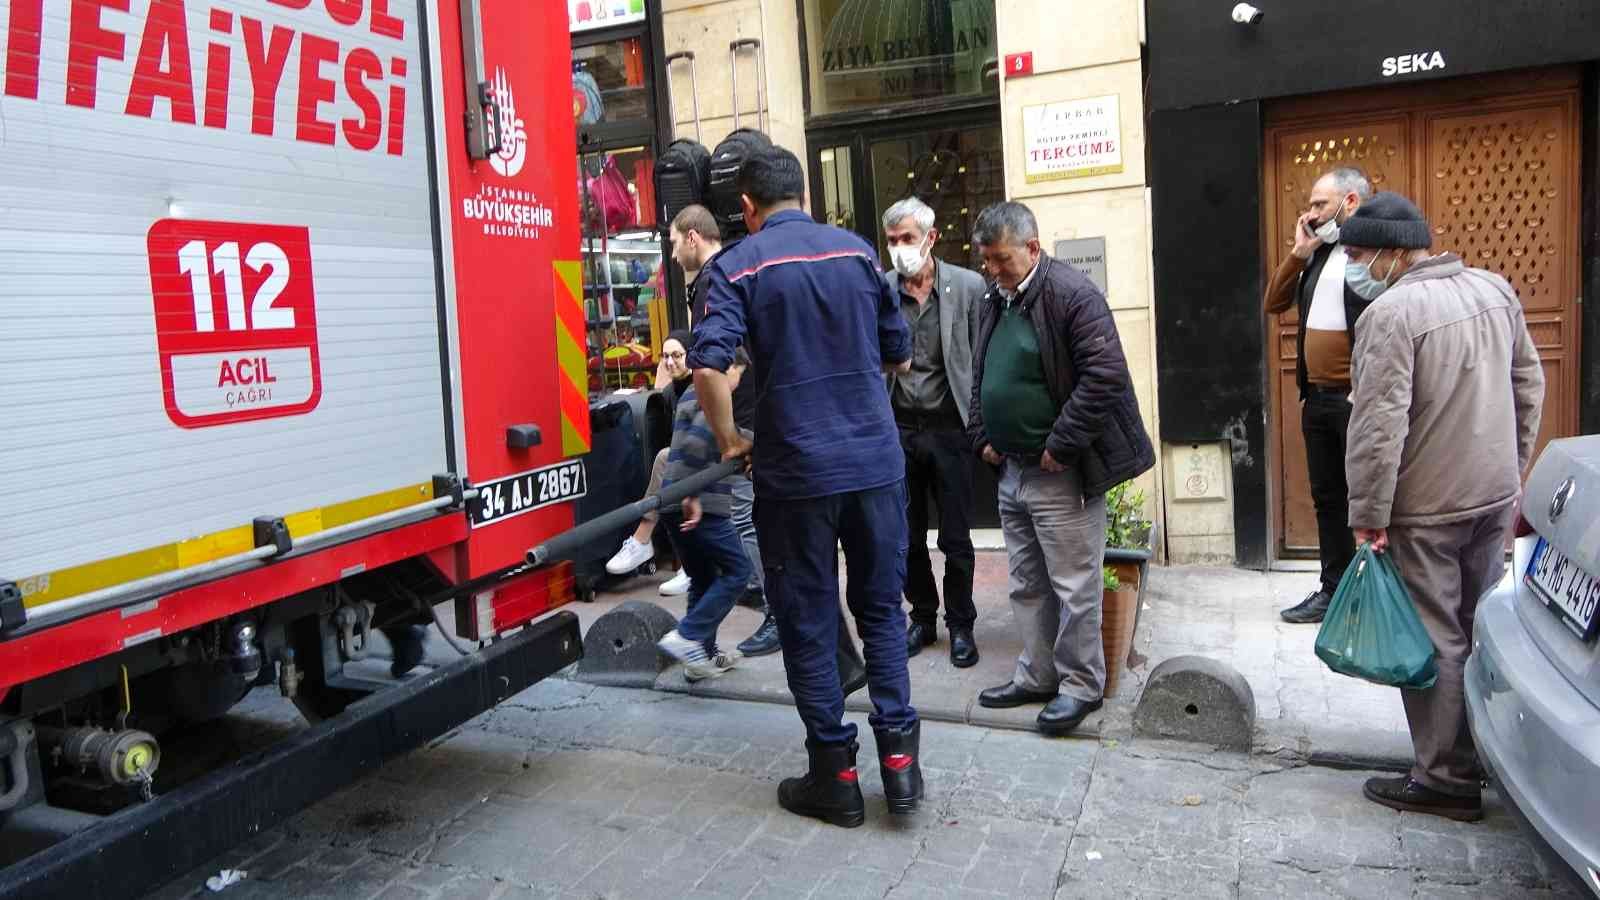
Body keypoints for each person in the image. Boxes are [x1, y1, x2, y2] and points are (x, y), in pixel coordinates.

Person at [690, 145, 921, 827]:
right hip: (875, 465)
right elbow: (899, 353)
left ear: (747, 207)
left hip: (795, 474)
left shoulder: (737, 266)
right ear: (806, 197)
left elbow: (706, 367)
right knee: (881, 610)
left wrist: (731, 441)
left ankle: (835, 776)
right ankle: (902, 770)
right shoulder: (856, 255)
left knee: (810, 618)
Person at [1339, 192, 1544, 822]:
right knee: (1480, 629)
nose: (1353, 266)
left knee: (1437, 640)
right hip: (1491, 495)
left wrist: (1368, 515)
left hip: (1426, 507)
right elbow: (1528, 386)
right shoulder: (1493, 290)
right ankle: (1480, 752)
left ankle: (1445, 778)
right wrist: (1513, 470)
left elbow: (1378, 427)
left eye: (1357, 254)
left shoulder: (1391, 314)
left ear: (1393, 253)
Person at [966, 201, 1154, 738]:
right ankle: (1038, 674)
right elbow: (979, 370)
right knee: (1027, 583)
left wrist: (1061, 445)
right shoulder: (993, 299)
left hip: (1058, 472)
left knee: (1074, 586)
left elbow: (1105, 375)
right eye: (987, 261)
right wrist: (982, 436)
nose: (994, 270)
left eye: (1002, 259)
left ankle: (1080, 686)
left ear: (1032, 247)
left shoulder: (1072, 294)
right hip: (1011, 470)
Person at [1263, 168, 1373, 625]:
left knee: (1369, 500)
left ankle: (1378, 598)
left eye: (1318, 205)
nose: (1309, 215)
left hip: (1360, 401)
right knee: (1328, 499)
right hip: (1319, 399)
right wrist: (1297, 253)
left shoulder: (1374, 256)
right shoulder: (1318, 254)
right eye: (1309, 206)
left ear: (1349, 202)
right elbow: (1274, 302)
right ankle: (1334, 591)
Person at [880, 197, 985, 668]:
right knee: (907, 534)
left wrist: (984, 427)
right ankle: (922, 618)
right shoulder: (879, 291)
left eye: (907, 238)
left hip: (950, 430)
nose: (899, 248)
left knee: (957, 537)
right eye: (892, 240)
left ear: (931, 237)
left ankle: (961, 625)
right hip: (898, 427)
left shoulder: (967, 287)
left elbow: (982, 360)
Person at [673, 204, 780, 657]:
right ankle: (703, 643)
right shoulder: (727, 274)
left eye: (676, 241)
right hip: (745, 425)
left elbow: (721, 364)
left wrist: (733, 437)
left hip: (747, 427)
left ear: (694, 237)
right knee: (744, 524)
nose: (674, 252)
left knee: (749, 522)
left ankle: (776, 615)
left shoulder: (717, 281)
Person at [655, 348, 756, 681]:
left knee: (703, 578)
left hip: (671, 499)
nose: (737, 383)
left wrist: (753, 444)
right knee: (738, 571)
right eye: (738, 374)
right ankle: (688, 635)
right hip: (701, 504)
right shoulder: (713, 391)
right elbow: (700, 442)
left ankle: (700, 659)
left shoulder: (689, 391)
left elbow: (709, 441)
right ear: (729, 369)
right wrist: (694, 494)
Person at [603, 331, 695, 596]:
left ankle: (644, 539)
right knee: (668, 465)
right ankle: (685, 564)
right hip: (686, 465)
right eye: (665, 356)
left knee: (666, 459)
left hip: (709, 461)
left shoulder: (700, 386)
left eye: (677, 355)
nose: (670, 362)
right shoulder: (669, 394)